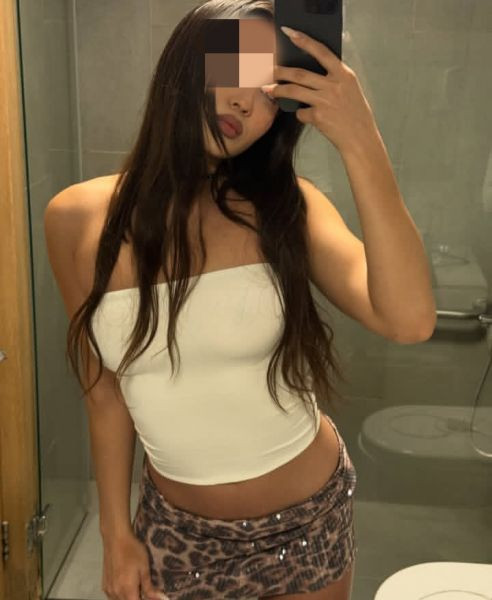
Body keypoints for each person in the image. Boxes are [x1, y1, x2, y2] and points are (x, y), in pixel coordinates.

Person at [44, 1, 436, 599]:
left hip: (308, 524)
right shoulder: (75, 220)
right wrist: (115, 532)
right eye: (238, 69)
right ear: (189, 60)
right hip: (179, 534)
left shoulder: (288, 209)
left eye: (271, 91)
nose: (248, 103)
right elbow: (104, 393)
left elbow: (409, 321)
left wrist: (361, 138)